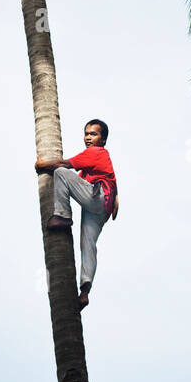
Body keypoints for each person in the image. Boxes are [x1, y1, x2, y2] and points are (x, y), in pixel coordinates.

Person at [35, 120, 118, 311]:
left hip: (98, 197)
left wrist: (42, 165)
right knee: (88, 245)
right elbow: (111, 178)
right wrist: (116, 199)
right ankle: (85, 291)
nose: (88, 137)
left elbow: (65, 164)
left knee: (62, 172)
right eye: (86, 133)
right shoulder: (101, 158)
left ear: (103, 140)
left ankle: (62, 215)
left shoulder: (95, 153)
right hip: (100, 208)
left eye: (93, 134)